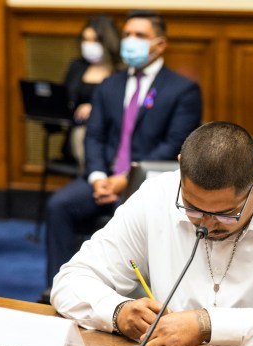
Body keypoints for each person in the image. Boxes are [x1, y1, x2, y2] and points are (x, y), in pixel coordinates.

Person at [51, 121, 253, 346]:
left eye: (225, 214)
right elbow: (70, 280)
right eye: (191, 207)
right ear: (181, 168)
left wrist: (207, 325)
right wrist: (118, 312)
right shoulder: (157, 195)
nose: (205, 224)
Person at [44, 10, 203, 294]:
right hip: (103, 177)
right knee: (59, 205)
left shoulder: (183, 90)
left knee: (129, 215)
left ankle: (122, 296)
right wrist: (97, 177)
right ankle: (61, 290)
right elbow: (94, 135)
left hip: (147, 183)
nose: (130, 40)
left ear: (160, 44)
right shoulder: (110, 85)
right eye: (127, 34)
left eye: (139, 35)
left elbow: (175, 145)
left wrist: (127, 178)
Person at [62, 15, 122, 169]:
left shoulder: (121, 71)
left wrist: (95, 109)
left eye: (94, 40)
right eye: (85, 39)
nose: (88, 45)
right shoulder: (77, 66)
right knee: (81, 134)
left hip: (111, 133)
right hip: (78, 129)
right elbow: (65, 98)